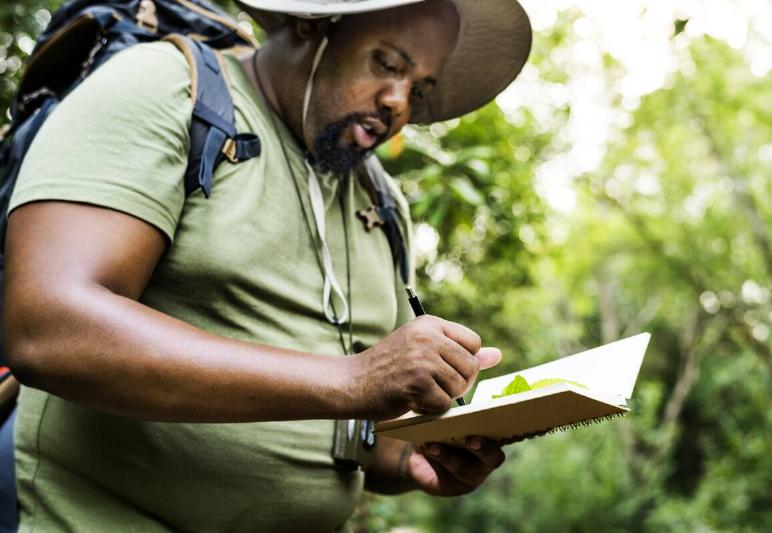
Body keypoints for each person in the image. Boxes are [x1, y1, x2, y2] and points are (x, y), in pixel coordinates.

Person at [3, 0, 531, 530]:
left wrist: (411, 458)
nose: (398, 103)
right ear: (314, 23)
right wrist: (353, 378)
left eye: (419, 89)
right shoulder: (169, 88)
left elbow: (366, 424)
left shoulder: (380, 199)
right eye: (388, 64)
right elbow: (46, 326)